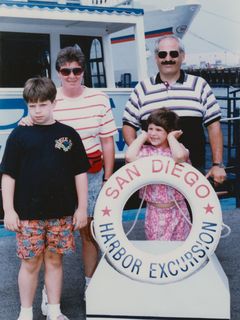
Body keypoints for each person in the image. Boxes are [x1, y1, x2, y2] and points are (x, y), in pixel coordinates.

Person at [20, 46, 117, 303]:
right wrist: (26, 122)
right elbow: (35, 121)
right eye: (66, 71)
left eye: (77, 70)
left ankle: (89, 285)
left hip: (93, 174)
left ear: (83, 72)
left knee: (88, 232)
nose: (72, 75)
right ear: (59, 73)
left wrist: (108, 178)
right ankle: (45, 294)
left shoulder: (99, 98)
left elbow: (107, 142)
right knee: (46, 237)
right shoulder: (50, 98)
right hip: (57, 177)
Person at [0, 77, 90, 320]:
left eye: (42, 104)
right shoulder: (19, 135)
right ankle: (25, 313)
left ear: (54, 103)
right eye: (32, 106)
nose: (37, 111)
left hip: (61, 213)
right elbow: (8, 175)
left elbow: (80, 173)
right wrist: (9, 210)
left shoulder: (68, 134)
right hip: (27, 214)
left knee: (54, 261)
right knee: (30, 263)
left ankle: (54, 310)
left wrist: (82, 208)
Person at [122, 35, 226, 184]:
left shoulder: (199, 85)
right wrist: (140, 156)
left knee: (193, 208)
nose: (168, 58)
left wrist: (217, 164)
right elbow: (128, 126)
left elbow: (214, 126)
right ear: (156, 58)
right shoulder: (142, 88)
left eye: (174, 54)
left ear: (182, 56)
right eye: (162, 54)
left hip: (193, 169)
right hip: (153, 173)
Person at [125, 108, 191, 240]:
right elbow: (129, 156)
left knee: (180, 247)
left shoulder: (180, 149)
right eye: (150, 129)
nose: (153, 133)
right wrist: (143, 136)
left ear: (170, 131)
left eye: (159, 130)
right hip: (154, 212)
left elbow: (179, 157)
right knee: (158, 248)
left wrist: (172, 138)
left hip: (178, 210)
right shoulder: (145, 151)